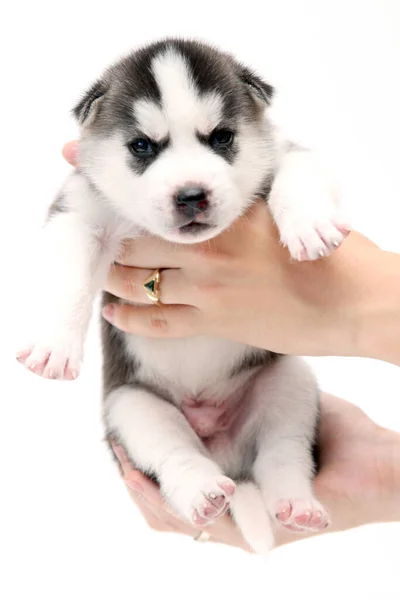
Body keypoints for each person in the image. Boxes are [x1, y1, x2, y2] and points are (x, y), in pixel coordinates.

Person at [63, 140, 400, 551]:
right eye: (144, 146)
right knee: (128, 406)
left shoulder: (263, 160)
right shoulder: (115, 188)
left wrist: (302, 216)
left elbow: (297, 161)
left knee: (289, 377)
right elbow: (67, 229)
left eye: (219, 138)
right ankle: (184, 473)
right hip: (154, 392)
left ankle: (285, 479)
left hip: (248, 384)